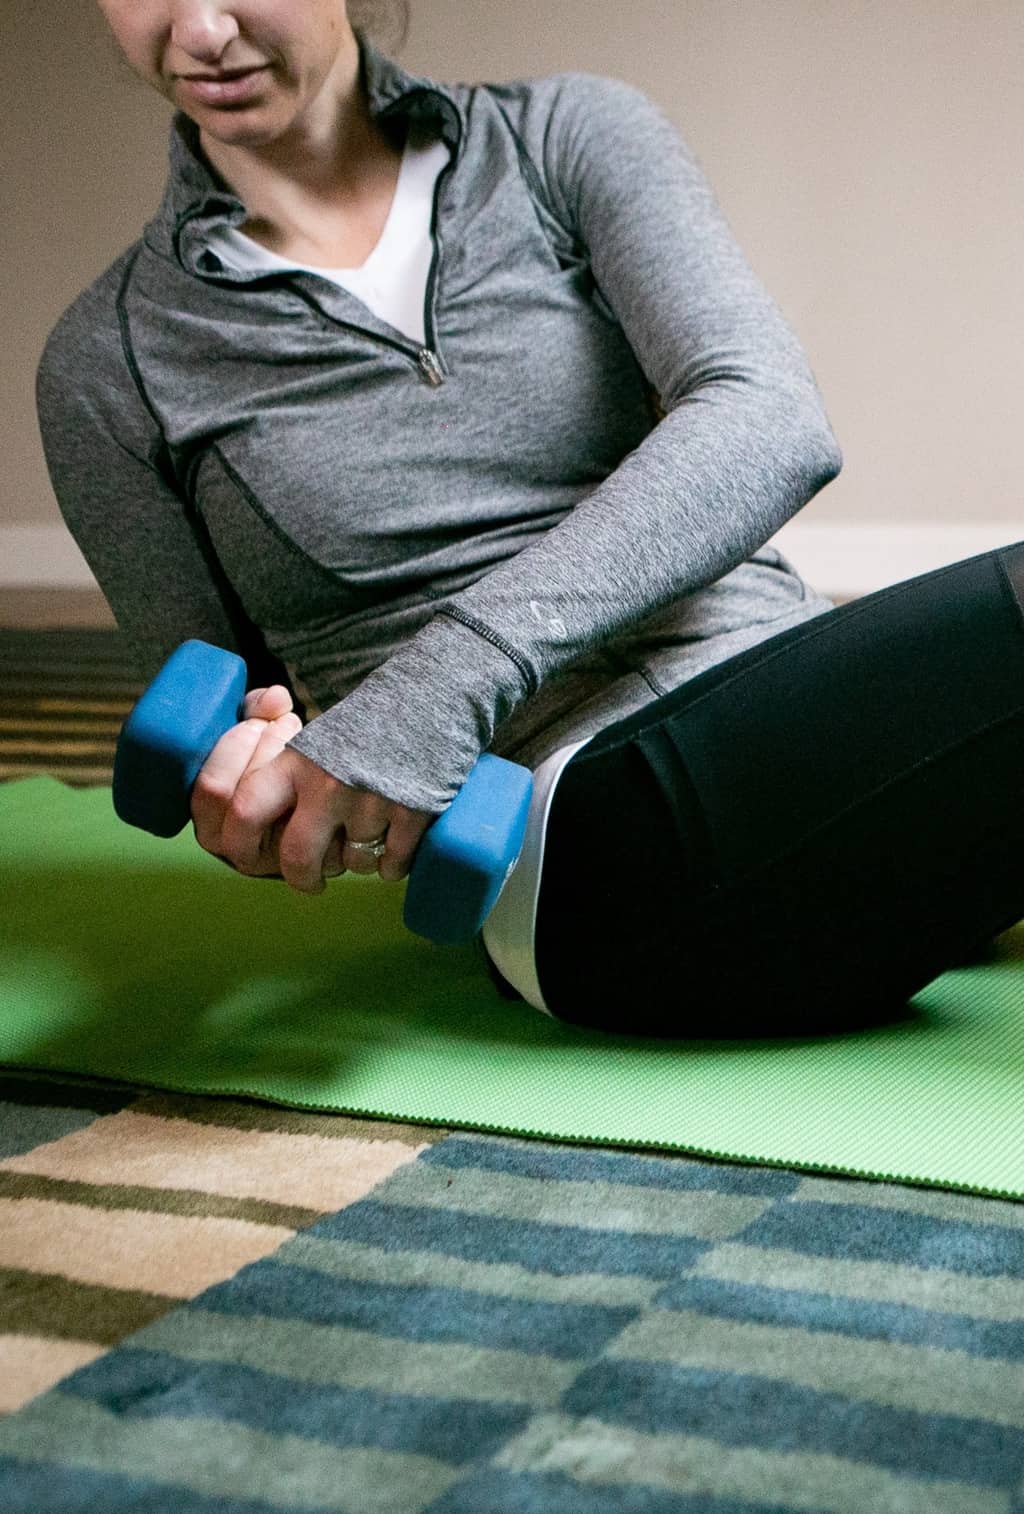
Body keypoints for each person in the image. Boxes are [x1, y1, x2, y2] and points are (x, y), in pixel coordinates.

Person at [38, 1, 1024, 1036]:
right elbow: (227, 710)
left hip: (844, 741)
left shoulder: (563, 140)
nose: (199, 29)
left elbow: (767, 415)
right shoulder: (113, 361)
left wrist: (444, 682)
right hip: (586, 856)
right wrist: (249, 786)